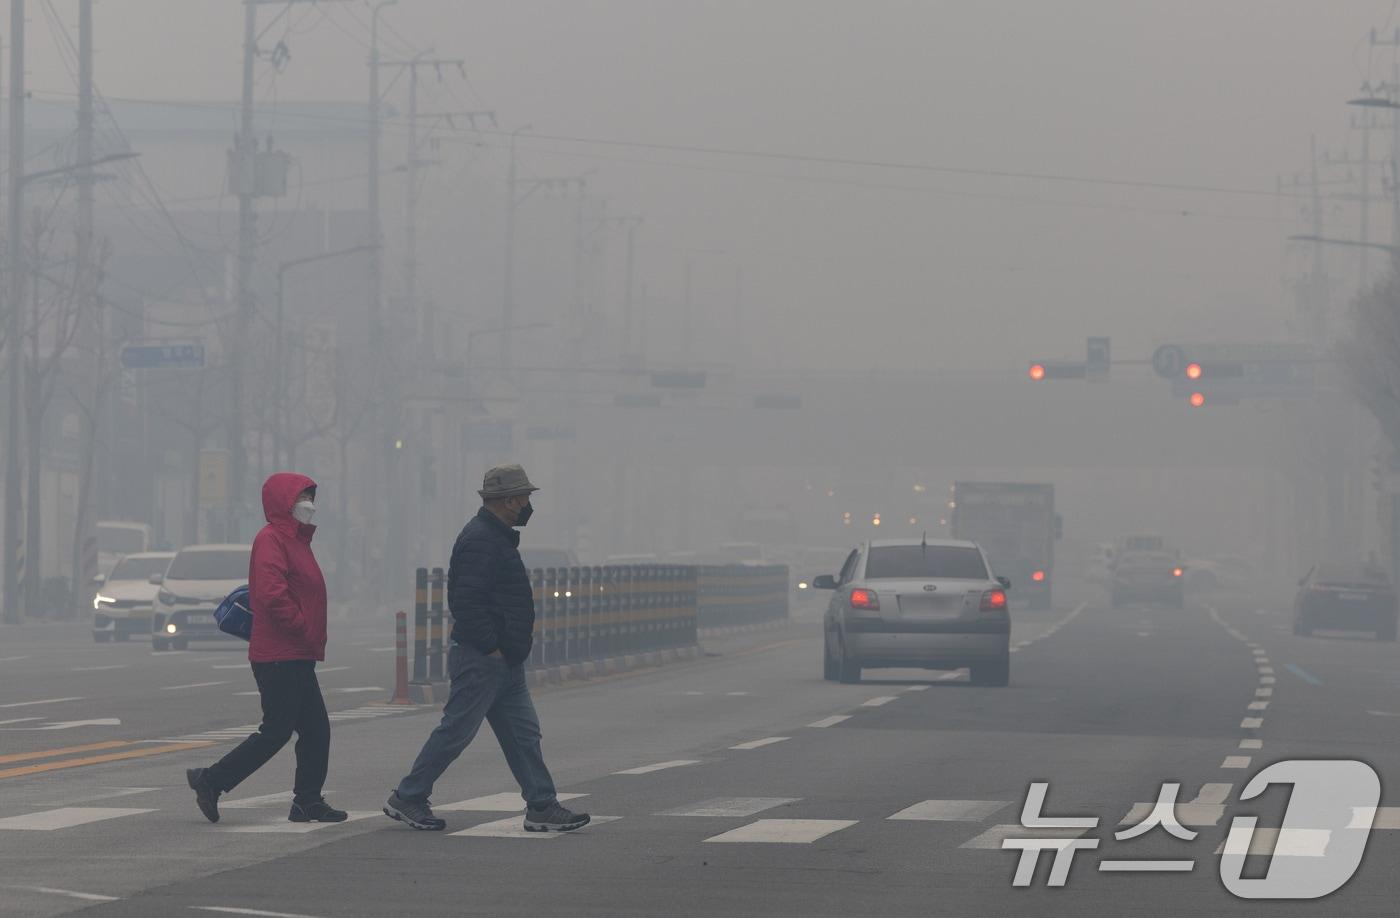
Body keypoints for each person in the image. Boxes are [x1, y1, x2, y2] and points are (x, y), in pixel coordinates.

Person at [384, 464, 589, 833]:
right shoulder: (480, 539)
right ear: (509, 500)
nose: (528, 504)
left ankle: (541, 804)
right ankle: (409, 795)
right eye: (525, 496)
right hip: (483, 658)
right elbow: (466, 601)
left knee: (524, 734)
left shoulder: (497, 536)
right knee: (457, 731)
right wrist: (492, 647)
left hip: (505, 661)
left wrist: (506, 651)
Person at [186, 472, 346, 825]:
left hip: (297, 652)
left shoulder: (297, 541)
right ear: (284, 502)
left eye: (309, 495)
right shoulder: (271, 539)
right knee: (276, 731)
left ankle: (306, 801)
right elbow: (273, 595)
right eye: (302, 496)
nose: (309, 502)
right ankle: (211, 780)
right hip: (279, 654)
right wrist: (301, 628)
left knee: (316, 730)